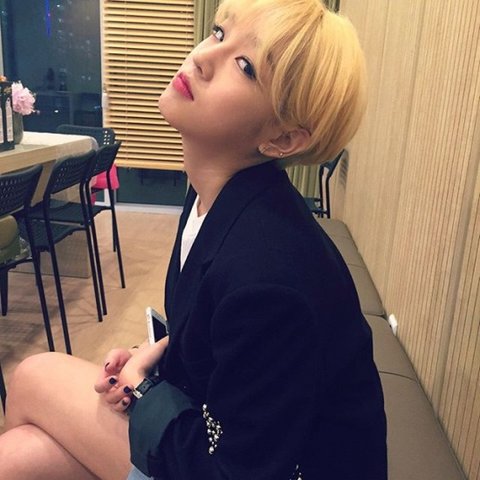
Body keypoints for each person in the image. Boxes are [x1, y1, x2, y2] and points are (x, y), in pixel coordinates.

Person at [0, 0, 387, 478]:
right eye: (220, 33)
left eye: (245, 66)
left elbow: (239, 470)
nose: (202, 57)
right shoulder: (215, 197)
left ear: (283, 139)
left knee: (32, 379)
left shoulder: (269, 276)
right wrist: (158, 358)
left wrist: (146, 391)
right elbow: (227, 347)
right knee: (21, 454)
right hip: (223, 439)